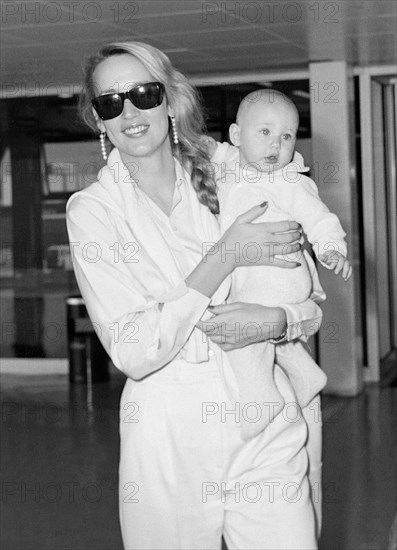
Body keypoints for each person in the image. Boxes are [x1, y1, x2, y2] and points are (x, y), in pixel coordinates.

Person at [66, 41, 322, 550]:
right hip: (169, 434)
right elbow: (135, 350)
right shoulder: (93, 211)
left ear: (170, 98)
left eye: (143, 92)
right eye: (111, 101)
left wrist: (275, 319)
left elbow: (310, 302)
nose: (131, 111)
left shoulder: (232, 173)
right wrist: (224, 256)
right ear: (99, 119)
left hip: (266, 414)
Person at [205, 89, 352, 442]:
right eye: (265, 132)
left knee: (241, 332)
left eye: (287, 136)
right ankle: (305, 372)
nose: (276, 145)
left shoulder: (289, 181)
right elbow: (206, 148)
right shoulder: (229, 167)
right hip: (252, 274)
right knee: (269, 335)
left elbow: (320, 218)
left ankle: (261, 397)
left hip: (279, 275)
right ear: (237, 136)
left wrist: (331, 247)